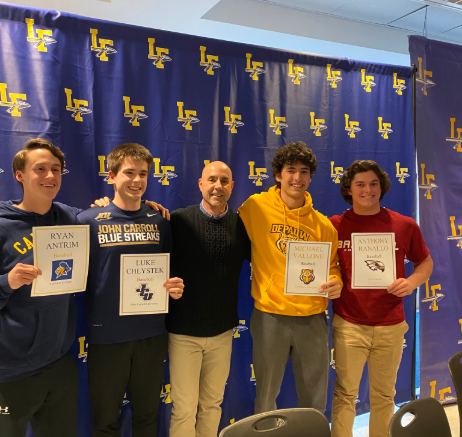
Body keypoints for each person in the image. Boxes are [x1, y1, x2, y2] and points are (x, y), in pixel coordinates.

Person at [77, 143, 184, 437]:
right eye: (128, 173)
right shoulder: (87, 221)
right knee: (105, 421)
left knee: (148, 418)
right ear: (111, 175)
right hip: (107, 337)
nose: (136, 181)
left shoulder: (160, 221)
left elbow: (169, 270)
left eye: (143, 174)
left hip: (150, 335)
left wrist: (173, 287)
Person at [329, 160, 433, 437]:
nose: (368, 190)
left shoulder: (404, 224)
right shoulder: (334, 226)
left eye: (373, 183)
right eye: (360, 184)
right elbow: (327, 266)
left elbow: (425, 263)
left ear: (382, 186)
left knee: (384, 396)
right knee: (345, 395)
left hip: (390, 325)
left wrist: (411, 282)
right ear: (349, 190)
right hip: (349, 324)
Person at [238, 141, 343, 415]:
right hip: (270, 316)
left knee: (314, 396)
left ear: (310, 177)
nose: (297, 178)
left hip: (312, 318)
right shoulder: (255, 207)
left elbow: (332, 266)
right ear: (278, 174)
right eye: (291, 170)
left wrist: (336, 281)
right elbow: (222, 223)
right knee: (266, 395)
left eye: (304, 171)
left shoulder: (323, 225)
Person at [0, 138, 80, 437]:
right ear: (19, 175)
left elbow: (108, 218)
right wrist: (7, 281)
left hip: (58, 363)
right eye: (40, 169)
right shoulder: (2, 225)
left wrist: (144, 207)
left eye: (56, 169)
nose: (50, 176)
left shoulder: (69, 217)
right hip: (11, 370)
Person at [166, 161, 250, 437]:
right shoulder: (178, 220)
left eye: (224, 181)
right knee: (184, 408)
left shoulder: (242, 226)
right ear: (201, 184)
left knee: (212, 405)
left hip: (222, 333)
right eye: (211, 180)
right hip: (183, 333)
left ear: (232, 187)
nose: (218, 186)